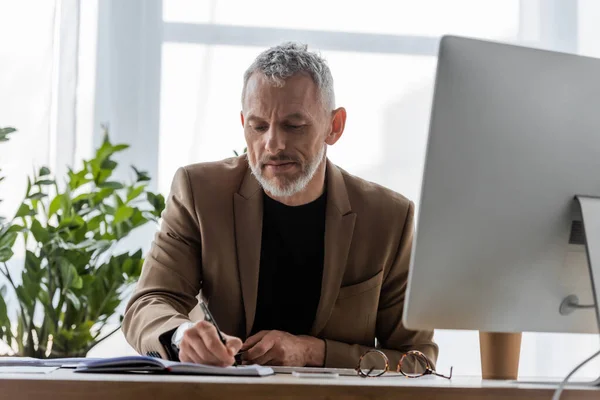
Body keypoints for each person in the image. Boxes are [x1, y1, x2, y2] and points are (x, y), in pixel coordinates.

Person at [122, 42, 438, 369]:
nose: (272, 144)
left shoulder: (389, 218)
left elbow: (417, 359)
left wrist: (314, 353)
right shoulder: (200, 193)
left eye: (294, 126)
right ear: (243, 122)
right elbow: (148, 302)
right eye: (258, 126)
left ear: (335, 126)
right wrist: (180, 335)